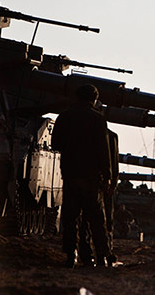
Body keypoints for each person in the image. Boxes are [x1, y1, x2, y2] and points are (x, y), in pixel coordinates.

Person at [52, 84, 112, 268]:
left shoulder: (64, 117)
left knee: (70, 218)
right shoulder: (98, 119)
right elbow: (104, 151)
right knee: (96, 218)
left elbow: (55, 144)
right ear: (93, 99)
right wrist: (108, 175)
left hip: (70, 173)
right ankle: (101, 256)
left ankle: (71, 255)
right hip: (91, 176)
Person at [78, 128, 119, 266]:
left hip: (85, 181)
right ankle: (104, 253)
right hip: (102, 184)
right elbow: (114, 163)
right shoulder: (111, 136)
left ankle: (86, 256)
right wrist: (112, 181)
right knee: (104, 220)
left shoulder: (83, 133)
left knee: (84, 221)